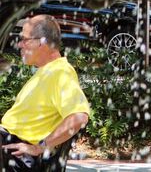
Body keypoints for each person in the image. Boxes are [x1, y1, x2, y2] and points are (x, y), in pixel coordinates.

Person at [1, 15, 90, 172]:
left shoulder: (60, 73)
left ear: (42, 42)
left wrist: (39, 147)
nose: (19, 44)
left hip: (15, 154)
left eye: (25, 39)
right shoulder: (47, 72)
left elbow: (79, 117)